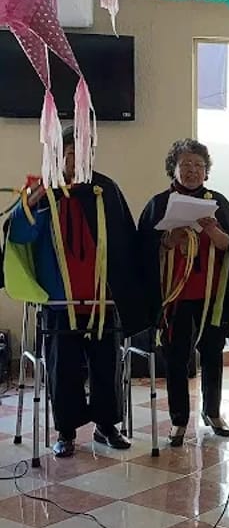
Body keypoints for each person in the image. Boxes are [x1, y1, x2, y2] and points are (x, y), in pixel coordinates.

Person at [4, 126, 149, 457]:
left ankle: (106, 425)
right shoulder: (44, 190)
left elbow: (126, 240)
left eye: (84, 151)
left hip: (102, 299)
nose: (76, 158)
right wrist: (34, 200)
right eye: (69, 152)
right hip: (59, 301)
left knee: (107, 365)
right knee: (63, 368)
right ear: (59, 155)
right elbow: (19, 236)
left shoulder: (105, 189)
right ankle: (66, 432)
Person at [138, 138, 229, 447]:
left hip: (211, 297)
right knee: (176, 358)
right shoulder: (158, 204)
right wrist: (167, 242)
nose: (192, 171)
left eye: (199, 165)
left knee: (213, 354)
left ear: (206, 171)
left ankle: (212, 412)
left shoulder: (219, 202)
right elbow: (144, 251)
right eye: (185, 165)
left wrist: (213, 230)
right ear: (173, 168)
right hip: (175, 298)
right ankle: (178, 420)